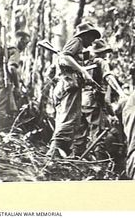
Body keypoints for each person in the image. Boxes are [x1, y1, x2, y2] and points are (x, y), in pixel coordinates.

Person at [46, 22, 101, 159]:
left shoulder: (81, 48)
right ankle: (54, 153)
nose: (92, 42)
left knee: (70, 119)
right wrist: (82, 70)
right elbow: (65, 56)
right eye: (92, 38)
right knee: (68, 119)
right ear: (86, 35)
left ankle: (60, 153)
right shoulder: (77, 41)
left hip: (70, 86)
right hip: (69, 86)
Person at [74, 39, 126, 157]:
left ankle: (78, 161)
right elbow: (108, 77)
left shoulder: (83, 62)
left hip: (80, 100)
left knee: (80, 134)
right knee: (98, 135)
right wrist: (120, 91)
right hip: (93, 101)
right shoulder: (101, 62)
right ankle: (99, 165)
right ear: (103, 52)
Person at [0, 31, 30, 130]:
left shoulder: (7, 50)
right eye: (25, 43)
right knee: (0, 106)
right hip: (2, 79)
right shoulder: (15, 51)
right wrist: (17, 86)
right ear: (20, 40)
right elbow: (12, 68)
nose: (25, 47)